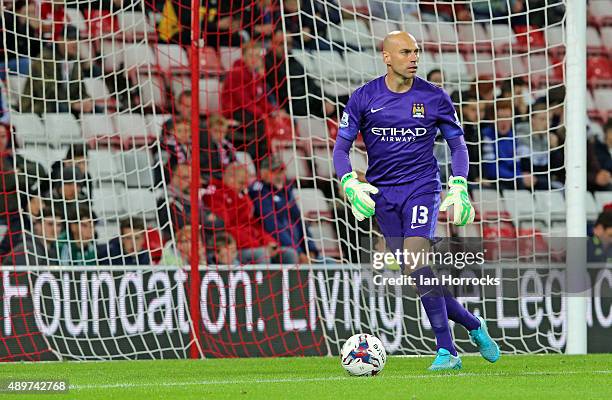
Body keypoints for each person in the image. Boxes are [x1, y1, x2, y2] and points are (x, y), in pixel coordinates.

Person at [332, 31, 499, 371]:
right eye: (406, 51)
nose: (414, 57)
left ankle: (447, 351)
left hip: (422, 188)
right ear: (387, 57)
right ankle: (473, 324)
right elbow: (341, 147)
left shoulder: (434, 96)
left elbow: (457, 145)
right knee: (417, 270)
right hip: (383, 195)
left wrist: (459, 185)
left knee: (417, 259)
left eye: (416, 51)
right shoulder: (364, 97)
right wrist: (349, 182)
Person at [203, 162, 295, 264]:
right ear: (229, 178)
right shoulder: (214, 195)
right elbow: (226, 227)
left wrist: (268, 241)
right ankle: (262, 280)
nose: (244, 187)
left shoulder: (244, 197)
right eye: (241, 183)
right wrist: (258, 245)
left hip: (253, 244)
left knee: (290, 254)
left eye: (246, 184)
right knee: (261, 254)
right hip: (232, 248)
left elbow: (254, 224)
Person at [248, 155, 320, 264]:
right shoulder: (260, 191)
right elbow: (273, 227)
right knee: (292, 255)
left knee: (329, 263)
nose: (279, 175)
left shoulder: (286, 191)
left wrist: (311, 249)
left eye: (281, 171)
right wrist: (299, 252)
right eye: (275, 172)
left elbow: (299, 221)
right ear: (263, 173)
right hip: (280, 248)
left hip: (299, 250)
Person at [20, 24, 100, 115]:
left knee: (96, 109)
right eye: (70, 39)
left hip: (63, 105)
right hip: (38, 105)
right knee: (62, 109)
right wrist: (72, 104)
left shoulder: (74, 60)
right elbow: (47, 92)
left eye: (77, 40)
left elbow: (80, 89)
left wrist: (87, 101)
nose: (75, 43)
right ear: (59, 39)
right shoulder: (44, 59)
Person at [481, 100, 534, 190]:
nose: (504, 122)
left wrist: (524, 177)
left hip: (514, 179)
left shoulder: (515, 136)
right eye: (500, 117)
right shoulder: (486, 136)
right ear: (493, 119)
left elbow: (518, 165)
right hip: (496, 181)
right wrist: (518, 176)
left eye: (507, 117)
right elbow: (491, 170)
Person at [6, 201, 64, 266]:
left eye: (58, 225)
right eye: (50, 224)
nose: (55, 229)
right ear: (37, 225)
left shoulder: (53, 249)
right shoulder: (27, 249)